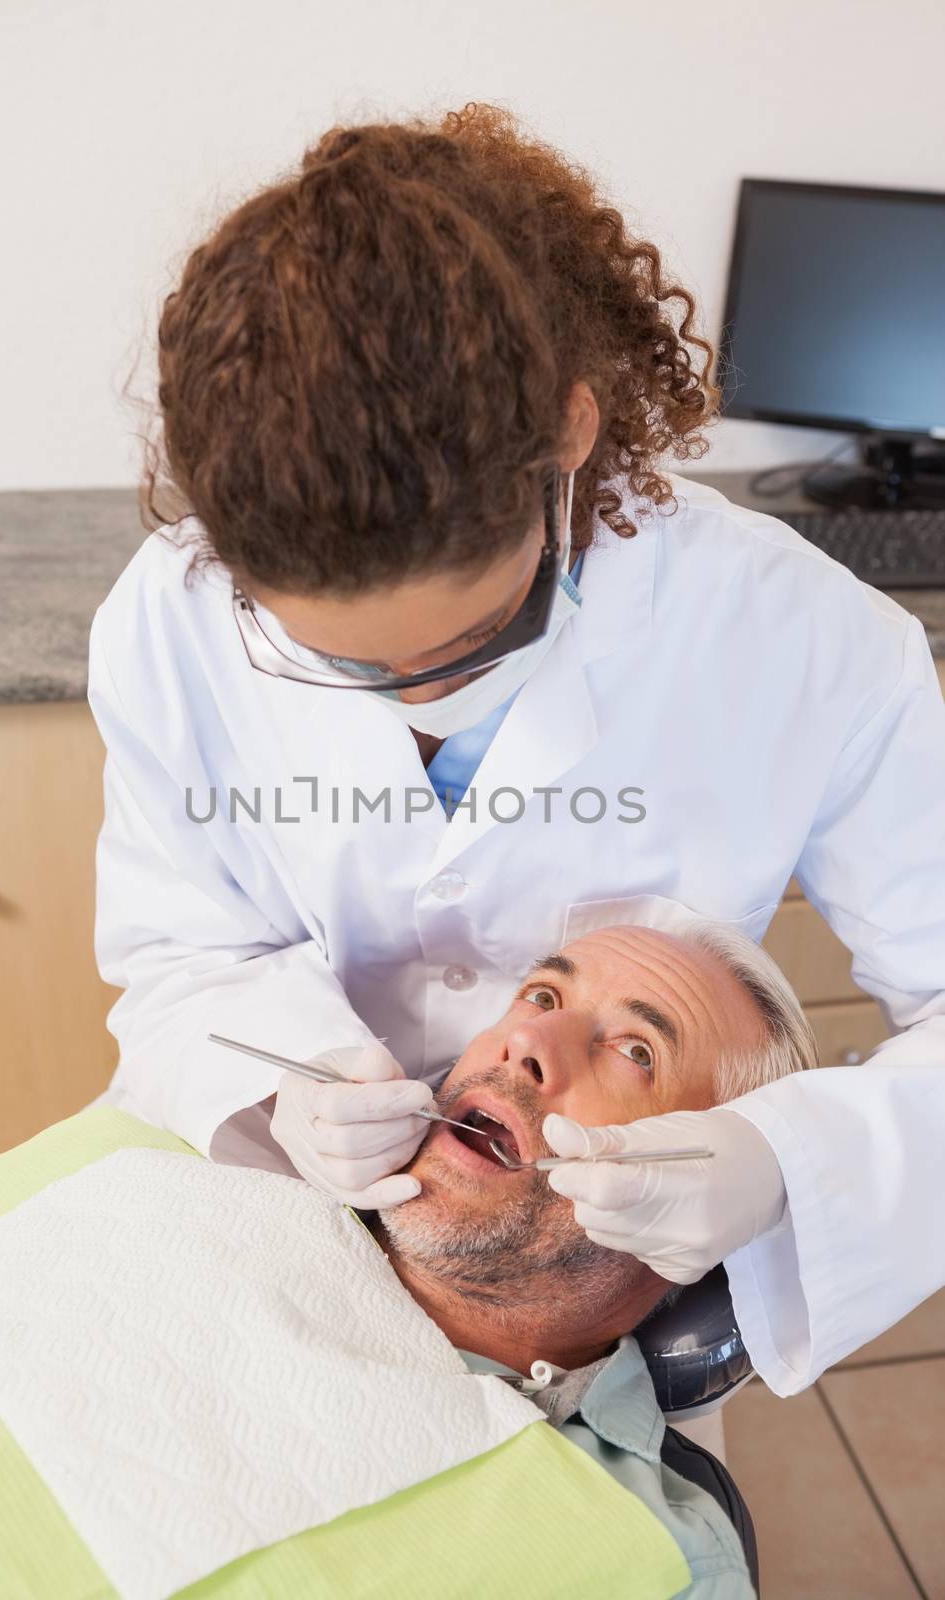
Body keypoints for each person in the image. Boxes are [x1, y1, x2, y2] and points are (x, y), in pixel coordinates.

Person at [88, 101, 945, 1399]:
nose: (404, 705)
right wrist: (279, 1089)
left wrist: (789, 1159)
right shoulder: (174, 611)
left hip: (584, 1287)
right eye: (332, 666)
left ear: (567, 438)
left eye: (459, 648)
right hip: (275, 1230)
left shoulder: (808, 646)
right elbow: (177, 959)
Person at [0, 917, 810, 1597]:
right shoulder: (140, 1157)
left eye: (636, 1052)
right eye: (541, 995)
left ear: (704, 1200)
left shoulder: (645, 1552)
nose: (527, 1040)